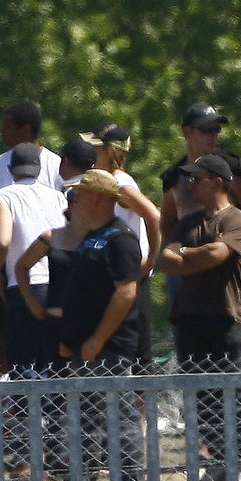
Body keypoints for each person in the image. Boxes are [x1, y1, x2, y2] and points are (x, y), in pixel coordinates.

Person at [51, 168, 148, 481]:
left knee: (119, 420)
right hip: (84, 349)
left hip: (108, 348)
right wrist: (71, 337)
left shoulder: (120, 238)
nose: (73, 201)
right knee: (85, 423)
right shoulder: (92, 236)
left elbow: (126, 292)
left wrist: (98, 338)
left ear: (97, 198)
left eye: (78, 194)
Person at [159, 153, 241, 481]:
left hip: (225, 319)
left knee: (230, 394)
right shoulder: (188, 222)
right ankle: (219, 460)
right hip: (189, 318)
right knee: (199, 398)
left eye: (197, 178)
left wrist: (187, 256)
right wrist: (190, 257)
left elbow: (219, 255)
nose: (191, 184)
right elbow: (166, 260)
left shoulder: (237, 219)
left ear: (217, 181)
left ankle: (240, 462)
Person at [82, 123, 162, 363]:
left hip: (131, 274)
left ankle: (143, 401)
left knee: (138, 353)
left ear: (109, 151)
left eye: (96, 148)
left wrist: (149, 261)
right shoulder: (110, 181)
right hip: (118, 274)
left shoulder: (120, 183)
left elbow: (154, 216)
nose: (92, 154)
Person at [0, 142, 65, 375]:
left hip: (22, 286)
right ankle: (51, 411)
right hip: (56, 285)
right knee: (51, 365)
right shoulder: (58, 198)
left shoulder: (3, 196)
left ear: (11, 169)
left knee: (24, 366)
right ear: (39, 170)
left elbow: (3, 240)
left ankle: (26, 412)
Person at [157, 102, 241, 238]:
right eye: (206, 130)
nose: (213, 135)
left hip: (226, 251)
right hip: (189, 255)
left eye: (216, 129)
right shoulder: (175, 176)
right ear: (187, 132)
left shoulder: (231, 169)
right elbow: (167, 225)